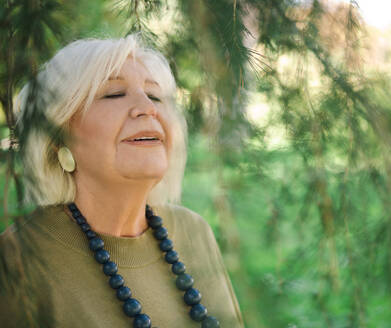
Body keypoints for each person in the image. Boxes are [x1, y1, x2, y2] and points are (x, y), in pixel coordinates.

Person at [0, 35, 243, 328]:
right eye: (113, 93)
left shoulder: (194, 231)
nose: (147, 108)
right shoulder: (15, 259)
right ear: (57, 137)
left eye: (154, 96)